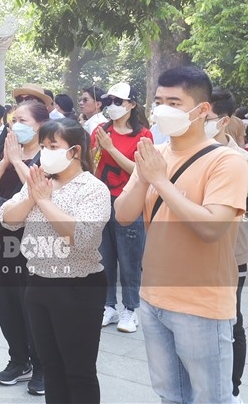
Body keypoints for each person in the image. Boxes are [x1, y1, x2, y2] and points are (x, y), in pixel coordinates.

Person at [114, 66, 248, 404]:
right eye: (159, 100)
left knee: (210, 397)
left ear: (202, 110)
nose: (163, 110)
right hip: (154, 297)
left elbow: (210, 227)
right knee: (170, 394)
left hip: (201, 304)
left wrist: (159, 180)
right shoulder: (154, 156)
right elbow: (123, 213)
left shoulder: (225, 162)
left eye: (175, 102)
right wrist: (146, 177)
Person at [0, 118, 110, 404]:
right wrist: (33, 198)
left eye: (53, 146)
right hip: (37, 282)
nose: (46, 152)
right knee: (50, 366)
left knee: (78, 370)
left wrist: (45, 202)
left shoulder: (93, 188)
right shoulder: (40, 180)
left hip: (77, 286)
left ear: (74, 151)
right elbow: (8, 219)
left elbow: (82, 237)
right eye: (44, 146)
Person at [0, 100, 49, 394]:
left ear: (40, 125)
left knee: (31, 302)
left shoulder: (50, 156)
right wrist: (8, 160)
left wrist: (20, 161)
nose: (15, 125)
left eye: (22, 120)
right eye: (13, 120)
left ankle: (43, 365)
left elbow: (36, 189)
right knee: (6, 300)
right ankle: (19, 359)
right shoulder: (8, 153)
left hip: (34, 237)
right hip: (4, 236)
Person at [206, 89, 248, 401]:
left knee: (232, 321)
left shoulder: (244, 161)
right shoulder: (180, 151)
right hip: (190, 255)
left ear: (223, 121)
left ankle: (232, 389)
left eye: (207, 118)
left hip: (228, 254)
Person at [91, 82, 152, 334]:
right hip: (101, 199)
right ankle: (109, 305)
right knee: (104, 256)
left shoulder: (143, 136)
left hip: (129, 201)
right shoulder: (99, 130)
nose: (112, 107)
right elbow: (91, 165)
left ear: (132, 105)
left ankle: (130, 308)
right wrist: (95, 151)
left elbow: (139, 171)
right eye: (109, 102)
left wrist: (111, 149)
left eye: (119, 102)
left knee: (129, 257)